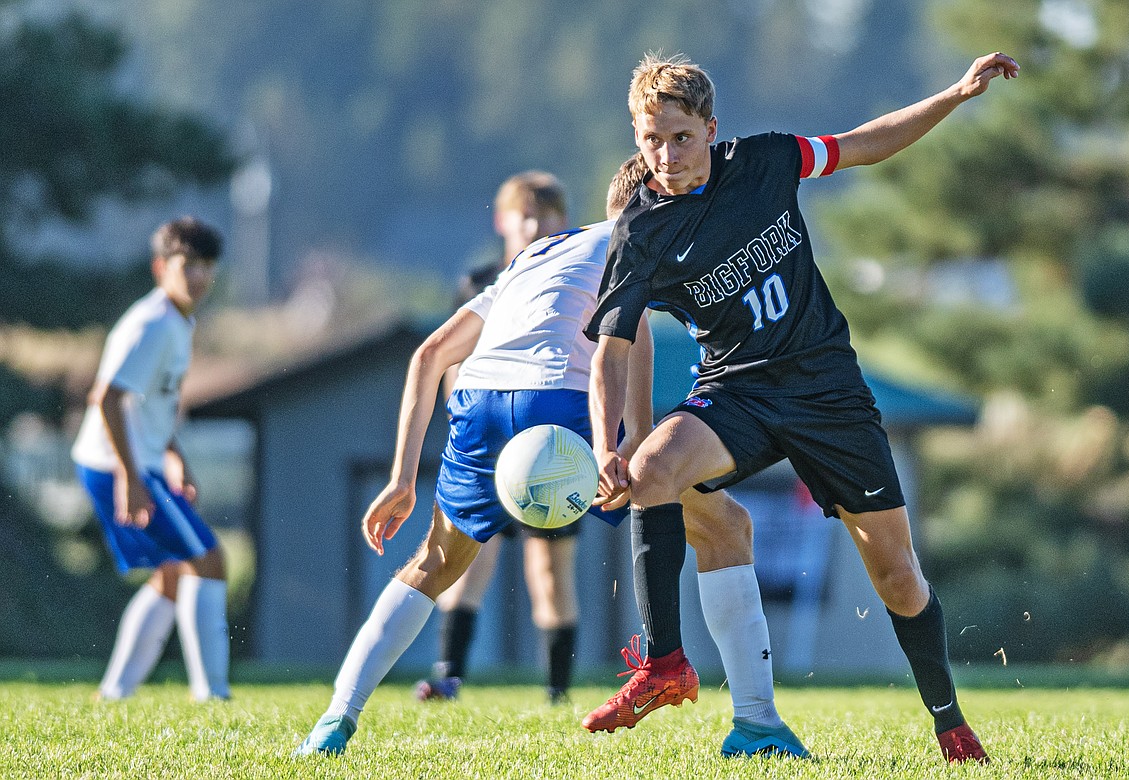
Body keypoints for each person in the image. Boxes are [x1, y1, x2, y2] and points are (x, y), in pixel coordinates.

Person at [583, 52, 1020, 764]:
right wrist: (611, 444)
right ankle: (664, 665)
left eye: (680, 137)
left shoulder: (765, 161)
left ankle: (949, 721)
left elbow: (865, 142)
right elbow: (614, 348)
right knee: (655, 469)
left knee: (898, 577)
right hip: (738, 389)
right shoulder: (639, 230)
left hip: (828, 392)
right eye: (649, 139)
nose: (665, 155)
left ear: (711, 128)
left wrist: (955, 94)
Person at [294, 155, 773, 757]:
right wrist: (639, 445)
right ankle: (757, 724)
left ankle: (335, 719)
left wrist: (401, 480)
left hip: (481, 400)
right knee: (727, 525)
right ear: (658, 198)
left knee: (434, 562)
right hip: (564, 398)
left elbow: (428, 356)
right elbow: (633, 337)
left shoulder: (535, 254)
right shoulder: (643, 236)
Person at [418, 172, 580, 704]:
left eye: (548, 216)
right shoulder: (481, 283)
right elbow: (450, 357)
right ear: (503, 221)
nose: (536, 226)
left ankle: (558, 691)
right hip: (490, 445)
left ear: (564, 222)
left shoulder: (576, 277)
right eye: (526, 215)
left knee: (550, 573)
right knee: (467, 558)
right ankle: (448, 676)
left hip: (551, 447)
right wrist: (457, 421)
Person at [72, 217, 230, 702]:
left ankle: (114, 693)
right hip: (117, 463)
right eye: (188, 264)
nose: (199, 276)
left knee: (170, 574)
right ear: (161, 267)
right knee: (208, 559)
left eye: (207, 266)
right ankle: (213, 696)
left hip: (137, 462)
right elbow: (107, 397)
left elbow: (150, 406)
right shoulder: (152, 323)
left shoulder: (179, 321)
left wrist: (173, 456)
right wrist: (130, 477)